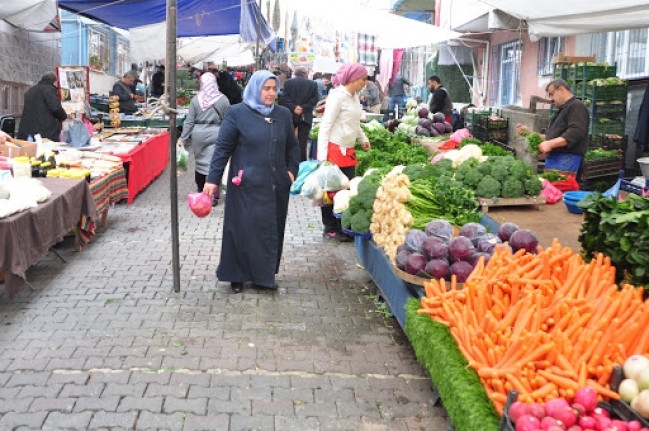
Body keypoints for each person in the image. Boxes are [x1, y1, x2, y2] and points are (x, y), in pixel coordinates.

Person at [202, 70, 299, 294]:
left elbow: (292, 147)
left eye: (274, 88)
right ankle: (236, 276)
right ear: (256, 88)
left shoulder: (283, 114)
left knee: (269, 231)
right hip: (245, 185)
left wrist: (291, 172)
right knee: (242, 230)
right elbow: (223, 148)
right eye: (266, 88)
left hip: (275, 185)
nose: (271, 93)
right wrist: (212, 179)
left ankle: (263, 277)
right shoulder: (237, 113)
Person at [316, 63, 372, 242]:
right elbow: (326, 125)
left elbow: (355, 122)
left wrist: (363, 139)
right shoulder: (337, 96)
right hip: (334, 149)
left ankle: (341, 225)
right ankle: (330, 228)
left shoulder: (355, 97)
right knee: (330, 191)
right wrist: (322, 156)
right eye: (363, 79)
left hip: (348, 151)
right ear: (353, 78)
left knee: (346, 190)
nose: (366, 82)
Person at [516, 78, 589, 178]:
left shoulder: (577, 107)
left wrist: (550, 144)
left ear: (561, 90)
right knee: (552, 192)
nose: (550, 99)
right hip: (557, 163)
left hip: (569, 162)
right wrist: (530, 133)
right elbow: (550, 137)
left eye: (551, 94)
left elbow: (576, 132)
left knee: (563, 192)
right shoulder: (562, 110)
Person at [177, 73, 230, 206]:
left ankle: (201, 190)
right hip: (217, 133)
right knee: (215, 163)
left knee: (200, 163)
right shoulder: (223, 99)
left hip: (198, 134)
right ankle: (214, 195)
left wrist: (183, 138)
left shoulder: (196, 100)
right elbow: (228, 120)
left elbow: (189, 121)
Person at [280, 66, 320, 162]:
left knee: (288, 139)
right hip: (305, 115)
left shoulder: (288, 83)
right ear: (306, 74)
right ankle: (301, 162)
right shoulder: (312, 84)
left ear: (295, 74)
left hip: (291, 114)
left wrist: (294, 107)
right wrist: (303, 108)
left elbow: (284, 98)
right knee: (303, 142)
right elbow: (315, 99)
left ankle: (288, 160)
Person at [17, 72, 68, 142]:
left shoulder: (30, 90)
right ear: (54, 81)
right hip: (44, 132)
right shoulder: (49, 90)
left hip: (27, 131)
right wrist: (64, 116)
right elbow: (55, 108)